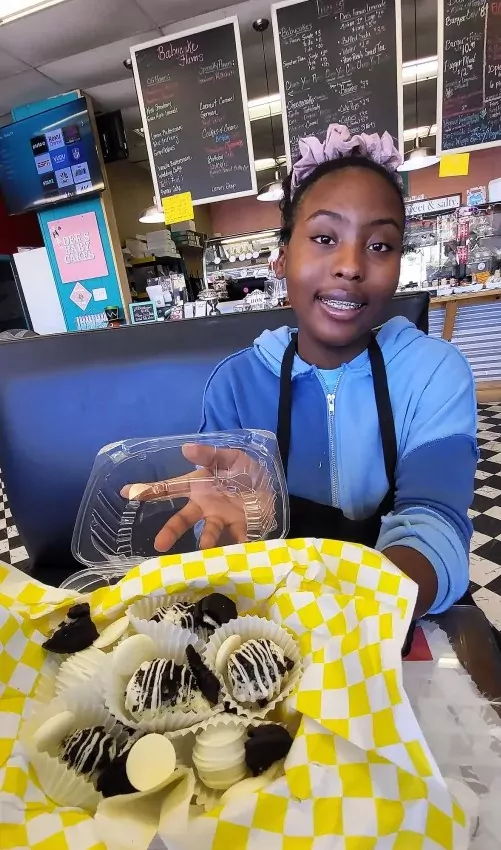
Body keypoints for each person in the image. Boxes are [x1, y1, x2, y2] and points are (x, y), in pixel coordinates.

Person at [124, 124, 477, 618]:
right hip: (275, 622)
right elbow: (226, 538)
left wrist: (352, 616)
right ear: (282, 258)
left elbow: (436, 525)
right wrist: (245, 522)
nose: (351, 265)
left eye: (380, 245)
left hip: (399, 615)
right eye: (325, 237)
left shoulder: (434, 373)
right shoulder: (234, 386)